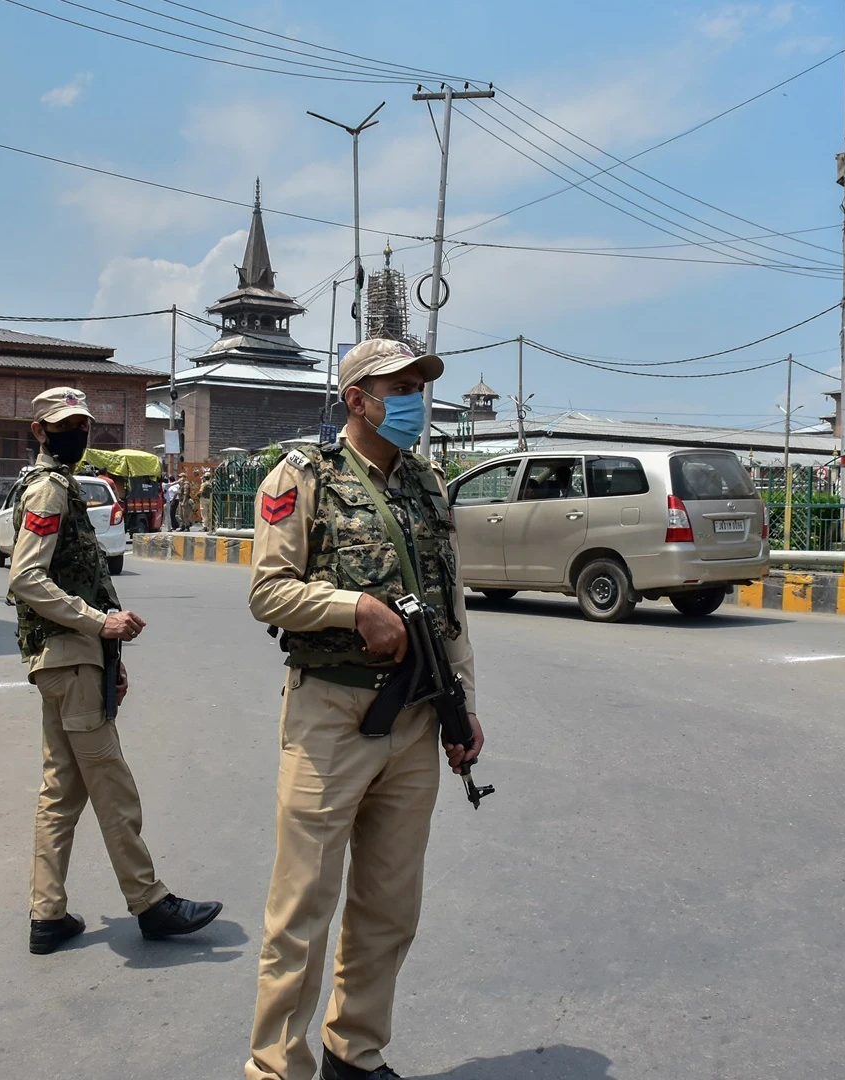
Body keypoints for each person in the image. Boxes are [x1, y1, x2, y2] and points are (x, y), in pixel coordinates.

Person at [243, 339, 485, 1080]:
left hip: (416, 720)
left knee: (388, 907)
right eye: (400, 386)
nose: (414, 398)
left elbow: (452, 607)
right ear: (358, 398)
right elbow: (268, 592)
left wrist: (463, 704)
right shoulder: (300, 477)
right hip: (332, 717)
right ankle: (278, 1066)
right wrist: (354, 609)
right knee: (302, 910)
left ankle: (356, 1049)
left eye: (418, 385)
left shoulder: (428, 484)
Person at [8, 386, 222, 956]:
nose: (75, 434)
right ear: (40, 432)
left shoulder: (52, 487)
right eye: (63, 425)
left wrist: (107, 651)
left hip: (64, 661)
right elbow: (26, 578)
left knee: (61, 792)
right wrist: (98, 625)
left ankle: (47, 914)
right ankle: (150, 902)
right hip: (70, 658)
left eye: (81, 423)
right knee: (113, 788)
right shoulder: (50, 489)